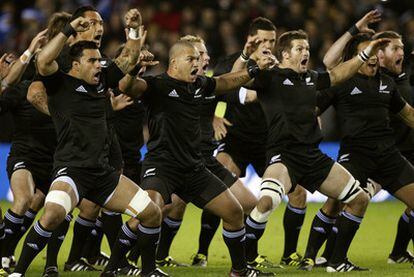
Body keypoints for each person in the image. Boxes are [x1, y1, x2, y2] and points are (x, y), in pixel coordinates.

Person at [102, 39, 275, 277]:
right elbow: (127, 85)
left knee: (234, 212)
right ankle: (123, 268)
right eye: (191, 59)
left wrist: (253, 70)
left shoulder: (200, 85)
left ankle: (239, 271)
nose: (198, 63)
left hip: (194, 169)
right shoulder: (158, 85)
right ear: (174, 63)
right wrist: (132, 67)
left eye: (198, 58)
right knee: (149, 211)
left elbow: (225, 82)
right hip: (163, 166)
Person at [9, 15, 162, 277]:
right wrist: (69, 29)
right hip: (72, 170)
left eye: (100, 60)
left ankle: (142, 271)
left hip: (102, 173)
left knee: (152, 213)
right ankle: (18, 272)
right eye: (92, 61)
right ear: (75, 65)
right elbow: (43, 60)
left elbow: (128, 58)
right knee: (52, 214)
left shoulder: (103, 81)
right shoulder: (60, 83)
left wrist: (135, 30)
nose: (98, 66)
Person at [241, 28, 389, 273]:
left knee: (359, 199)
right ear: (285, 55)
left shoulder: (310, 78)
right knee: (266, 202)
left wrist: (364, 55)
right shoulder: (270, 77)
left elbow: (339, 74)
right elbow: (237, 81)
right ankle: (244, 261)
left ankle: (336, 261)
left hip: (313, 155)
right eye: (300, 49)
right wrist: (248, 60)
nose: (306, 53)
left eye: (307, 49)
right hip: (284, 155)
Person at [213, 17, 307, 268]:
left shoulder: (279, 69)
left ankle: (289, 255)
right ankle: (202, 252)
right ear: (250, 40)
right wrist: (213, 116)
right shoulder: (232, 62)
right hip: (236, 141)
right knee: (217, 189)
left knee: (298, 193)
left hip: (269, 143)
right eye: (262, 40)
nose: (267, 45)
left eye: (272, 41)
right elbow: (221, 88)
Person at [375, 30, 414, 264]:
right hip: (385, 154)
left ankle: (398, 253)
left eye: (402, 49)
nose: (400, 53)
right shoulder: (378, 81)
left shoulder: (404, 78)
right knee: (346, 202)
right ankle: (324, 257)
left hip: (408, 150)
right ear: (380, 55)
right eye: (394, 49)